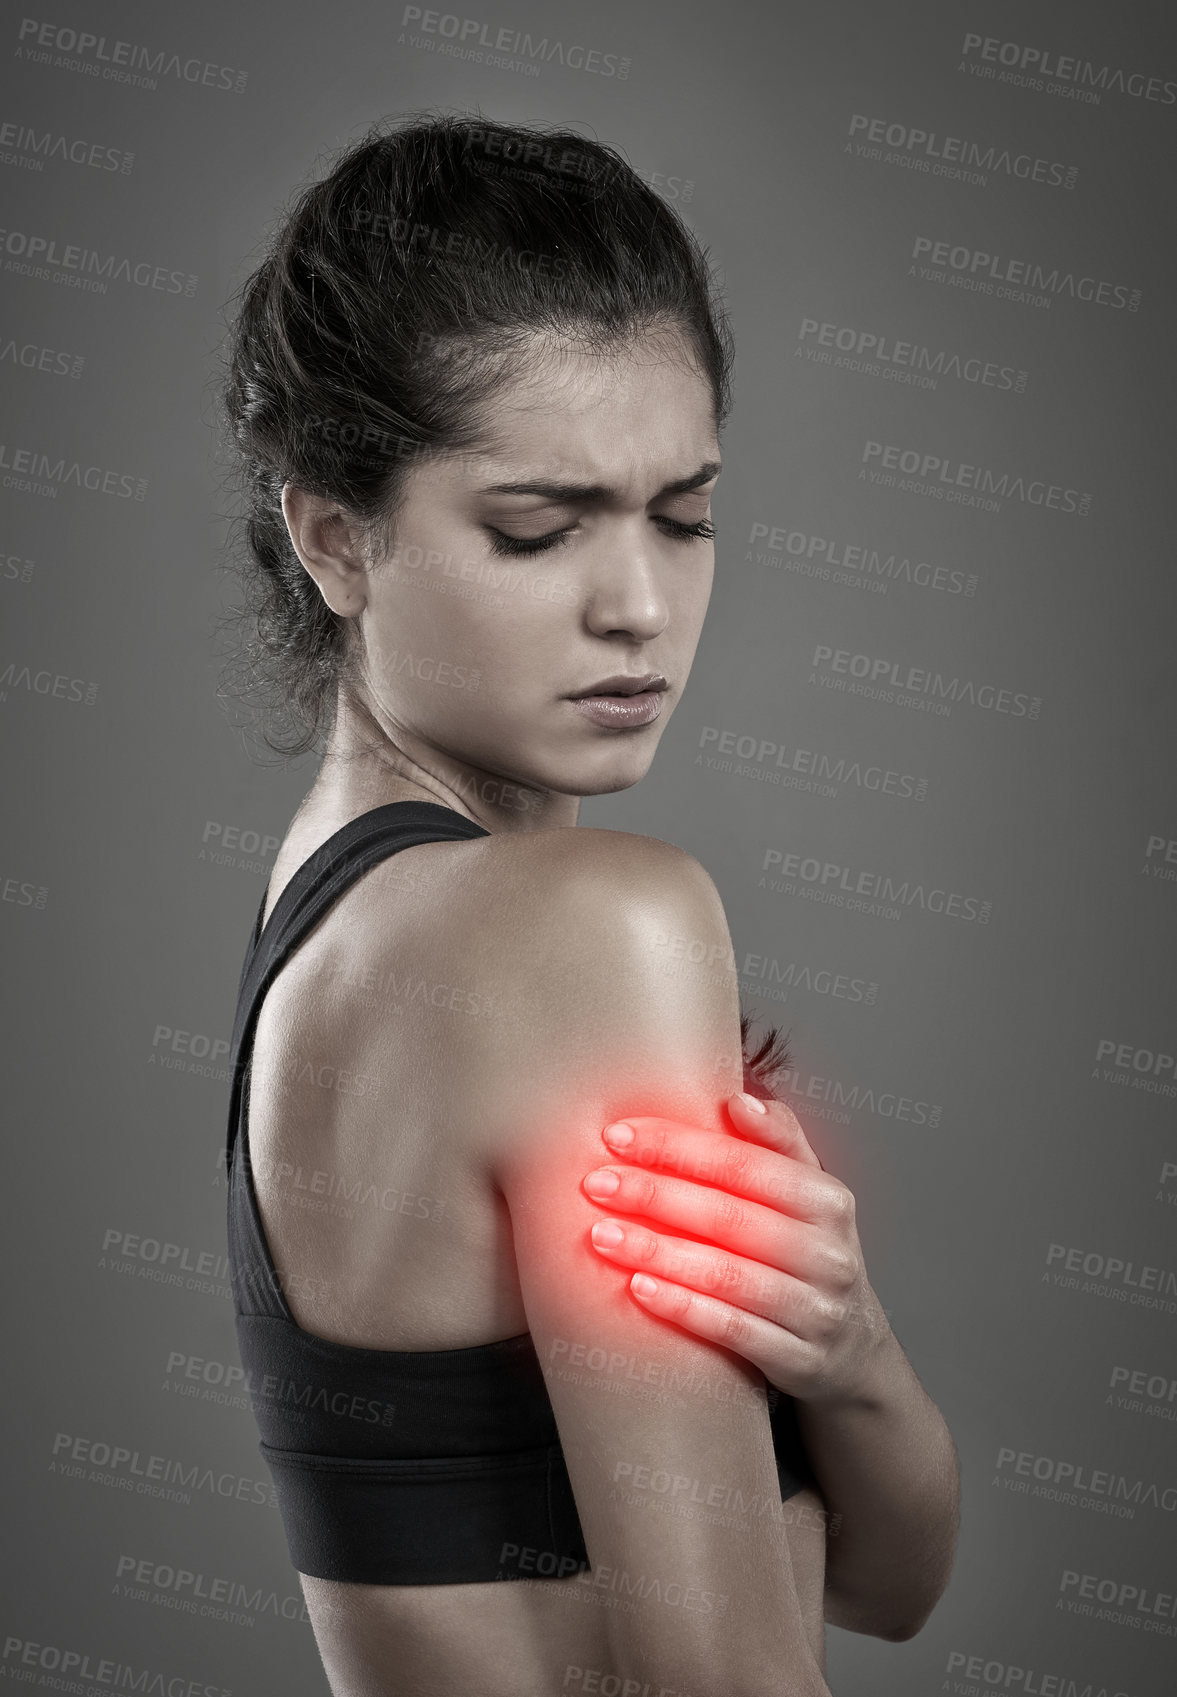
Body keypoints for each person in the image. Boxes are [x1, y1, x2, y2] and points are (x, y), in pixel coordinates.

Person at [216, 110, 958, 1697]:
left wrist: (846, 1349)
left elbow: (890, 1584)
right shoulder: (578, 925)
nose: (637, 604)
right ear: (335, 537)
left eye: (682, 516)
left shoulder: (338, 918)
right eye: (538, 528)